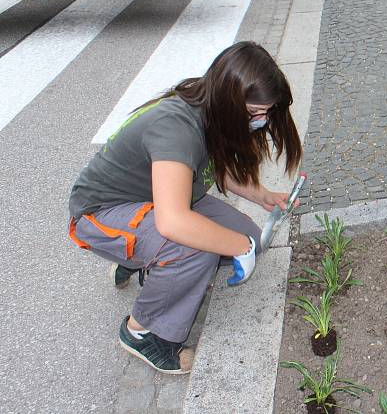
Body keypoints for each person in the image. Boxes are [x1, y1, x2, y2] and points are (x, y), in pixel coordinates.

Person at [67, 41, 302, 374]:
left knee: (247, 236)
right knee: (196, 247)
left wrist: (261, 196)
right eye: (254, 113)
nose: (262, 122)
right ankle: (143, 333)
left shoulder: (207, 104)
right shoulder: (176, 128)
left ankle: (143, 260)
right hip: (101, 213)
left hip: (153, 200)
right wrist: (238, 246)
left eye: (266, 113)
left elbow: (209, 166)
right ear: (229, 99)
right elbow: (174, 222)